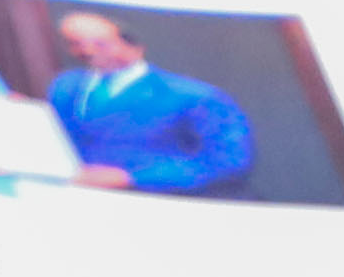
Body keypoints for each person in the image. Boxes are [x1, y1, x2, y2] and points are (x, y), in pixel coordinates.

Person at [42, 10, 256, 196]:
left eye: (101, 44)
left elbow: (229, 161)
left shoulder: (192, 95)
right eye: (76, 44)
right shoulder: (65, 87)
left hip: (162, 201)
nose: (88, 52)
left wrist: (132, 178)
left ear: (134, 46)